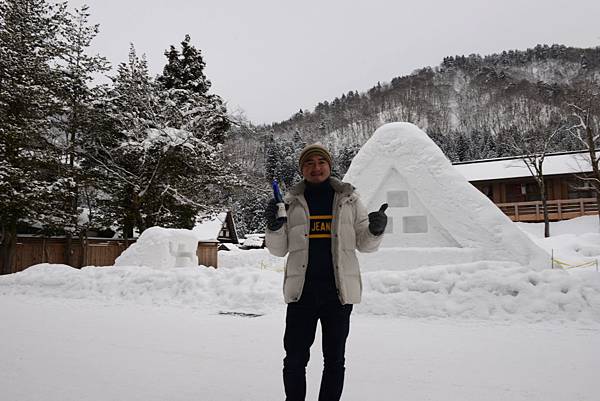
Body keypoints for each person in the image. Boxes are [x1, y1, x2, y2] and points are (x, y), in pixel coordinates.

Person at [264, 143, 388, 401]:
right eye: (309, 163)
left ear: (330, 166)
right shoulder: (290, 203)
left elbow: (364, 244)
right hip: (302, 293)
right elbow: (279, 250)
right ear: (302, 169)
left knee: (334, 359)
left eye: (321, 161)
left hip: (338, 294)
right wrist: (274, 228)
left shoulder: (350, 200)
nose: (316, 167)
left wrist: (375, 230)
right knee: (295, 359)